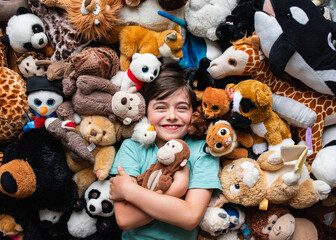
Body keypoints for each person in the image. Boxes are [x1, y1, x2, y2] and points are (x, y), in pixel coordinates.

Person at [109, 63, 221, 240]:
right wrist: (176, 190)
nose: (171, 116)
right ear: (146, 109)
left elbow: (190, 217)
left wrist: (131, 192)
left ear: (194, 111)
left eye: (182, 108)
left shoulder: (203, 151)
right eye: (161, 107)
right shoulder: (132, 148)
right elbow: (125, 219)